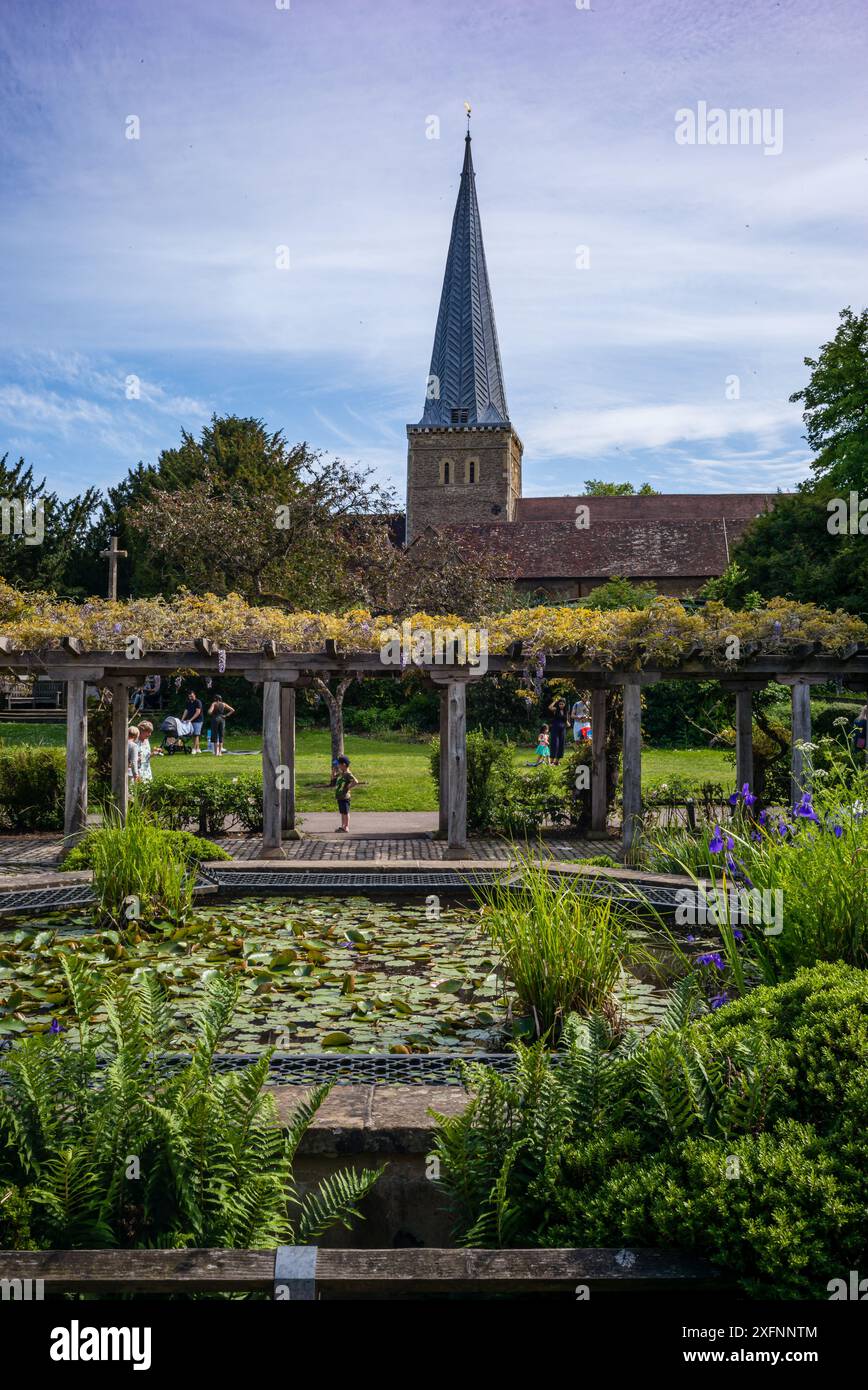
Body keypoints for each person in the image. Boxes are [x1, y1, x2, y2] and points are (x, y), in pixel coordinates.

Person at [333, 754, 359, 833]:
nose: (338, 766)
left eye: (339, 764)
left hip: (345, 796)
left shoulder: (348, 773)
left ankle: (346, 827)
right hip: (340, 796)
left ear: (343, 765)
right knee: (342, 812)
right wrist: (333, 771)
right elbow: (333, 777)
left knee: (346, 812)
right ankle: (342, 826)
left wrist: (348, 787)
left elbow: (356, 781)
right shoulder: (342, 773)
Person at [182, 688, 204, 754]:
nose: (191, 697)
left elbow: (198, 712)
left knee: (196, 734)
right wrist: (182, 719)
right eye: (189, 696)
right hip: (190, 721)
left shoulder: (198, 702)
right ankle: (198, 748)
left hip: (198, 720)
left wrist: (190, 720)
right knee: (193, 735)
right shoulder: (188, 702)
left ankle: (194, 749)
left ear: (195, 695)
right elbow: (186, 711)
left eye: (192, 696)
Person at [548, 697, 568, 765]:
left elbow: (566, 720)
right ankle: (551, 761)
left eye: (562, 704)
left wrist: (568, 723)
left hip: (562, 729)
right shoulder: (556, 709)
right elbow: (550, 707)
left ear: (564, 704)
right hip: (555, 728)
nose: (561, 705)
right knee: (555, 743)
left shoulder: (565, 711)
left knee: (561, 744)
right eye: (560, 704)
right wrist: (555, 701)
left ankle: (557, 761)